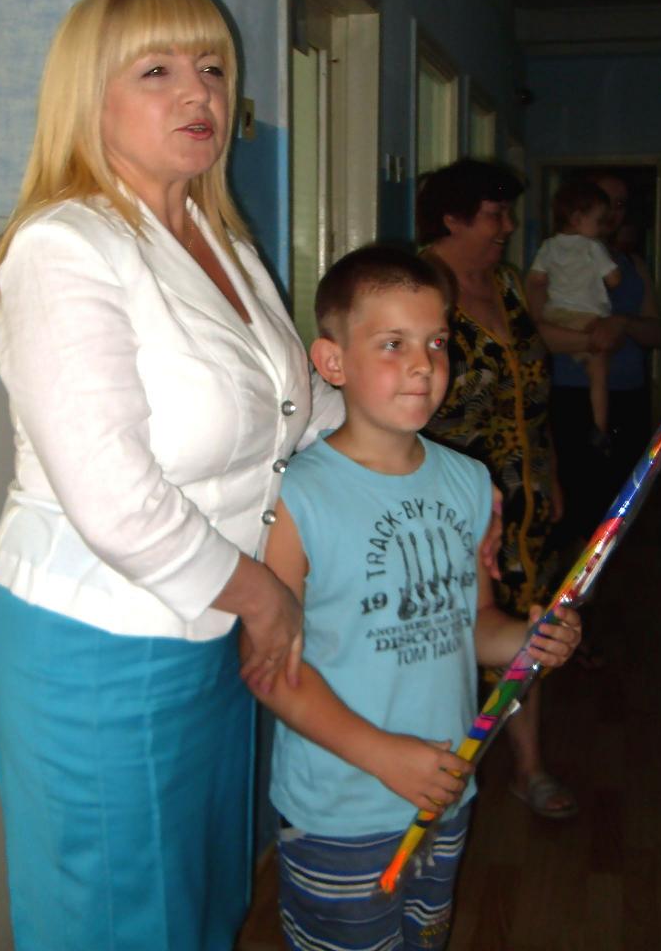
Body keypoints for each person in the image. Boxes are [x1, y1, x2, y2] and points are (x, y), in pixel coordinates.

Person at [0, 0, 342, 951]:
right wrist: (267, 601)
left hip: (214, 624)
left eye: (213, 68)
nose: (199, 93)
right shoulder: (64, 247)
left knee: (202, 897)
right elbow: (117, 498)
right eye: (158, 70)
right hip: (103, 639)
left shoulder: (221, 241)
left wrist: (407, 461)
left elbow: (295, 411)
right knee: (119, 917)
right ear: (87, 98)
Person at [247, 246, 581, 950]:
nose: (424, 365)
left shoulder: (468, 481)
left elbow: (474, 623)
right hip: (341, 809)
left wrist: (530, 639)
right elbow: (269, 670)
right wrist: (384, 756)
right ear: (333, 362)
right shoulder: (298, 497)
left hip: (445, 792)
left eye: (436, 342)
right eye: (392, 344)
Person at [416, 158, 578, 821]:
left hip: (525, 492)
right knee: (450, 629)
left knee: (527, 624)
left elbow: (532, 392)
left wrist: (550, 471)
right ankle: (435, 763)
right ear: (453, 219)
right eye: (494, 214)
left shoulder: (508, 283)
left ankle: (528, 766)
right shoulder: (421, 286)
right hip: (454, 499)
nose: (508, 226)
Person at [526, 171, 661, 667]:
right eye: (607, 202)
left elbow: (656, 334)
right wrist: (591, 339)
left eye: (622, 204)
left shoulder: (631, 265)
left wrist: (622, 323)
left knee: (615, 509)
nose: (615, 213)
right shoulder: (558, 257)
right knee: (575, 512)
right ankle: (565, 621)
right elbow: (536, 325)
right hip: (568, 394)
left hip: (626, 399)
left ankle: (596, 613)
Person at [527, 179, 621, 441]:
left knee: (543, 364)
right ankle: (600, 426)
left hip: (555, 316)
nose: (601, 227)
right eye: (598, 221)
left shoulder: (548, 246)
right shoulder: (593, 247)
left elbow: (535, 279)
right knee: (598, 373)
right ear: (578, 218)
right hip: (586, 318)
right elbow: (614, 280)